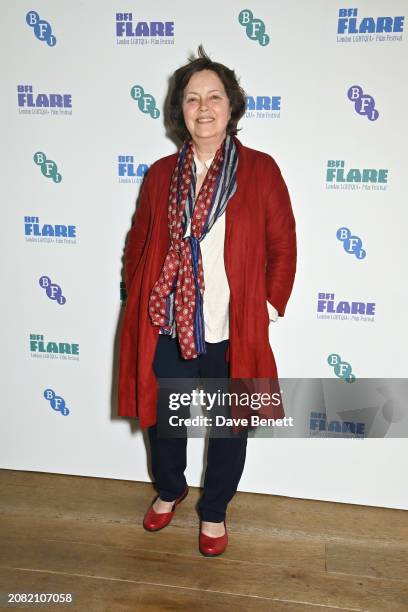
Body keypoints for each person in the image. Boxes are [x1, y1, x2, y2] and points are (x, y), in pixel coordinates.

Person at [117, 46, 297, 557]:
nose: (203, 107)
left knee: (229, 427)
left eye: (214, 96)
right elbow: (139, 239)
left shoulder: (260, 171)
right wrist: (138, 292)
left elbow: (283, 243)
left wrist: (267, 306)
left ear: (232, 107)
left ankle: (214, 510)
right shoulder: (158, 175)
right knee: (163, 419)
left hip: (230, 325)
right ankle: (170, 489)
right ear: (180, 111)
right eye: (192, 98)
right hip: (167, 321)